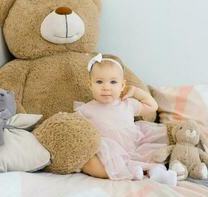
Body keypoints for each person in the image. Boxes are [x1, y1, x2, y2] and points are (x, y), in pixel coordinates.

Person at [75, 53, 177, 186]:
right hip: (108, 151)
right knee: (90, 163)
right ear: (90, 85)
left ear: (122, 86)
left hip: (134, 145)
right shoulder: (86, 109)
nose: (106, 87)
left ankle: (159, 172)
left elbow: (153, 107)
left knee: (152, 154)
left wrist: (135, 92)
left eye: (113, 82)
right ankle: (132, 172)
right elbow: (76, 129)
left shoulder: (128, 103)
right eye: (99, 82)